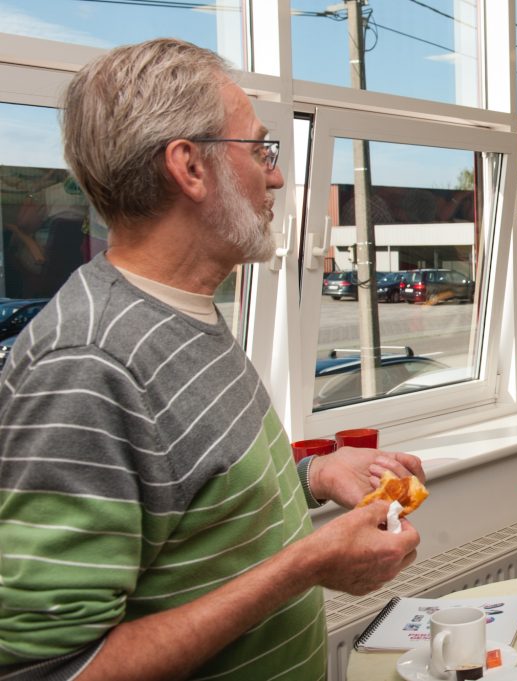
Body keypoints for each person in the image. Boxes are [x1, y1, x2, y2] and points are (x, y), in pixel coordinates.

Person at [0, 38, 421, 680]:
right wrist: (305, 565)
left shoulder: (184, 310)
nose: (276, 175)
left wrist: (315, 477)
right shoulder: (85, 364)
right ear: (189, 167)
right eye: (259, 150)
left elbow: (190, 510)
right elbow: (52, 672)